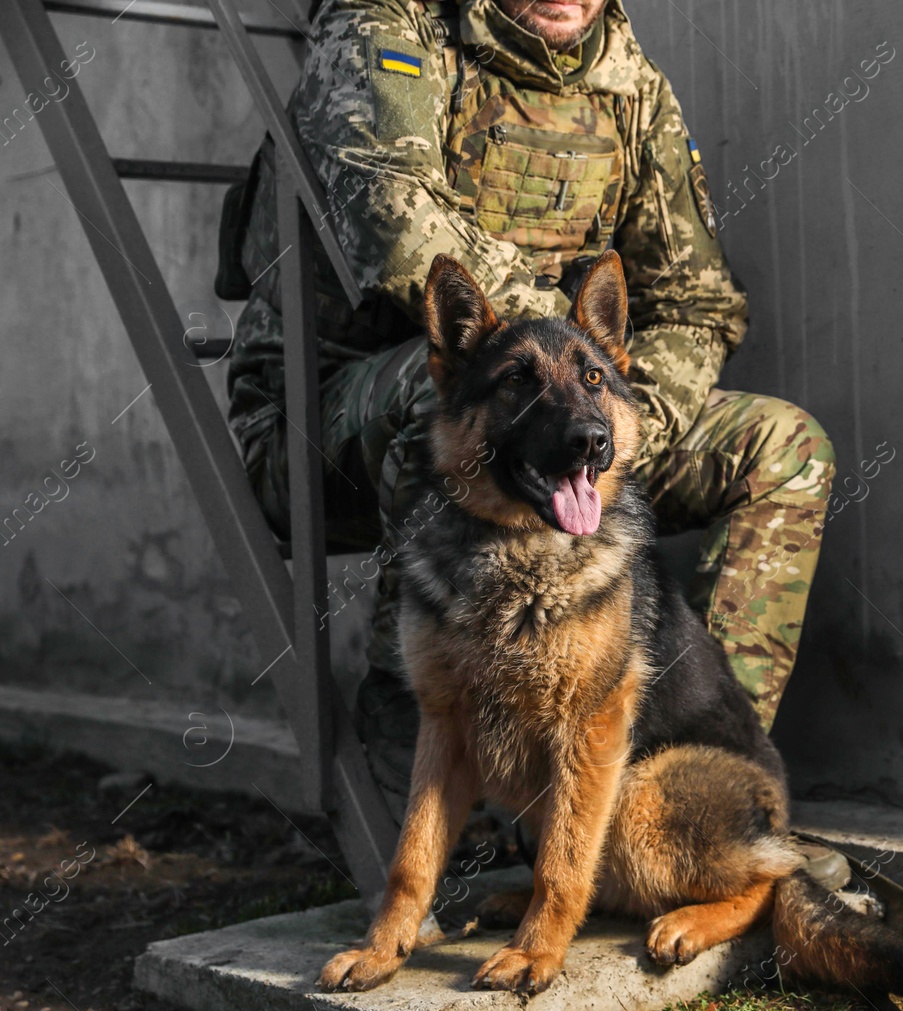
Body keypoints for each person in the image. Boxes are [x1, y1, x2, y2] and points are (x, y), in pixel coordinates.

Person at [223, 0, 836, 824]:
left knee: (783, 447)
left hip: (554, 426)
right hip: (325, 416)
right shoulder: (389, 29)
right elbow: (400, 229)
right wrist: (561, 374)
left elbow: (695, 300)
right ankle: (412, 809)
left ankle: (697, 808)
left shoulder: (627, 83)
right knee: (442, 404)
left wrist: (621, 421)